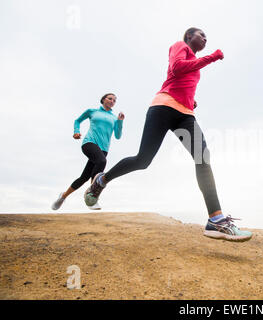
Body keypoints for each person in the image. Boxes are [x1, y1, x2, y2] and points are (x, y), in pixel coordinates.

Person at [84, 28, 252, 242]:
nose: (205, 38)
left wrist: (190, 101)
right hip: (162, 109)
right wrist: (212, 57)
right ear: (189, 37)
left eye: (207, 36)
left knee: (202, 157)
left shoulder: (194, 61)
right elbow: (177, 68)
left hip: (184, 114)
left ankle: (215, 220)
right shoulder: (179, 46)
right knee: (143, 160)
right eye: (201, 34)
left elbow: (182, 82)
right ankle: (102, 179)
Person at [52, 93, 125, 210]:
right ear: (103, 100)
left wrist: (120, 121)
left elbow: (118, 136)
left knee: (84, 177)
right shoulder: (92, 111)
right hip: (89, 143)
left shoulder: (114, 118)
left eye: (114, 100)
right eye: (110, 98)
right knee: (102, 161)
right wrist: (76, 131)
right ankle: (92, 196)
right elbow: (77, 121)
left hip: (104, 149)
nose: (112, 101)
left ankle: (63, 196)